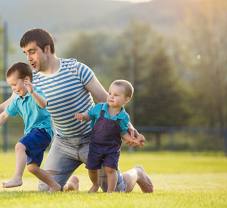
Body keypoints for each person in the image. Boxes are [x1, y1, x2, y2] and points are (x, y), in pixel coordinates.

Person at [0, 28, 153, 193]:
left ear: (46, 49)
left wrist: (129, 126)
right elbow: (6, 105)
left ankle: (137, 172)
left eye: (32, 52)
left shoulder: (77, 69)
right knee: (46, 189)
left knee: (115, 189)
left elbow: (104, 98)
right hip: (62, 144)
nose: (28, 58)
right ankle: (71, 183)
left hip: (92, 140)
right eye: (25, 53)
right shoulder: (31, 80)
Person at [1, 62, 61, 192]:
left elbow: (44, 104)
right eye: (11, 86)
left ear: (26, 80)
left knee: (19, 146)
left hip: (43, 131)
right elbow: (4, 115)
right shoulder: (17, 99)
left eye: (15, 84)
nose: (13, 89)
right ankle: (55, 186)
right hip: (32, 133)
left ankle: (17, 177)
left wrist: (33, 92)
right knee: (32, 168)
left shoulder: (36, 92)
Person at [75, 80, 142, 193]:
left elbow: (123, 132)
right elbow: (89, 115)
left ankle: (110, 192)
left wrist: (131, 139)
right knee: (92, 168)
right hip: (95, 146)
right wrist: (82, 116)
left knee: (110, 169)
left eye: (116, 95)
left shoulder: (123, 117)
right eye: (110, 93)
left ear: (126, 99)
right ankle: (95, 185)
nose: (111, 97)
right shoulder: (99, 108)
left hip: (112, 148)